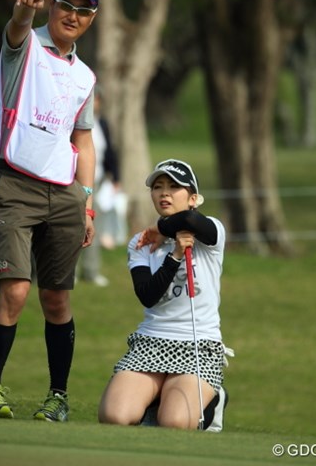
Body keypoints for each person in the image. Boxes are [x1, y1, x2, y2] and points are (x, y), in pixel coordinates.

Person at [0, 0, 99, 422]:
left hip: (65, 192)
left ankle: (58, 397)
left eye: (83, 10)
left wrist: (87, 203)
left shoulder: (85, 76)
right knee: (16, 290)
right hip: (14, 182)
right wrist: (24, 8)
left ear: (92, 18)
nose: (73, 15)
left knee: (57, 299)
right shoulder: (25, 47)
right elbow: (15, 30)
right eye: (66, 5)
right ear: (53, 6)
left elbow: (83, 140)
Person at [98, 159, 233, 430]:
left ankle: (214, 399)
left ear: (193, 198)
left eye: (174, 186)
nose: (164, 193)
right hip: (151, 342)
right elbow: (148, 296)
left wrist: (160, 229)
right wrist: (173, 256)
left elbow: (189, 219)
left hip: (198, 345)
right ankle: (154, 401)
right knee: (114, 417)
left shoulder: (212, 232)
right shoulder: (141, 243)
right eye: (157, 187)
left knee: (174, 423)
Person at [78, 85, 121, 286]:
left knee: (95, 226)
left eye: (96, 100)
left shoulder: (102, 123)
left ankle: (91, 270)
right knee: (74, 226)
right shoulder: (74, 123)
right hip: (77, 181)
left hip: (99, 181)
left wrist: (116, 178)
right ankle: (72, 272)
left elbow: (110, 152)